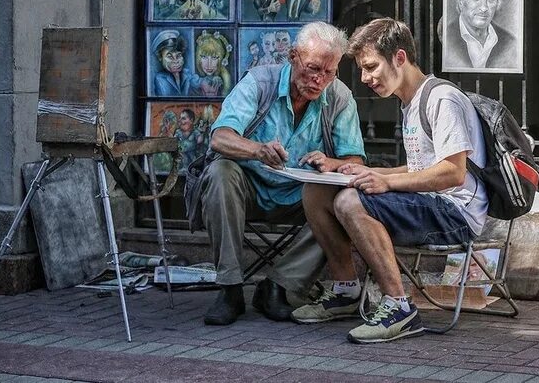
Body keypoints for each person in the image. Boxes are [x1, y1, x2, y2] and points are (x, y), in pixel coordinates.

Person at [291, 18, 488, 344]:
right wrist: (348, 169)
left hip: (456, 214)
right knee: (318, 190)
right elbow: (419, 168)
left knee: (350, 201)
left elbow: (453, 173)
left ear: (399, 57)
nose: (366, 78)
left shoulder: (441, 99)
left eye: (371, 67)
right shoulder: (411, 101)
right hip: (431, 202)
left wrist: (386, 184)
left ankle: (399, 308)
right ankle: (346, 291)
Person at [192, 21, 366, 326]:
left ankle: (278, 285)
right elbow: (220, 137)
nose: (318, 79)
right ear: (292, 55)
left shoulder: (339, 97)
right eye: (312, 68)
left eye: (328, 72)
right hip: (249, 191)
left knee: (347, 201)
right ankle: (230, 288)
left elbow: (354, 159)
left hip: (303, 199)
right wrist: (257, 150)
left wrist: (331, 162)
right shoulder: (260, 82)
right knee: (220, 172)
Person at [444, 0, 518, 70]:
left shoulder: (510, 43)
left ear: (497, 2)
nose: (484, 8)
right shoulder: (445, 37)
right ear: (461, 1)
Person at [190, 30, 232, 97]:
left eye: (214, 58)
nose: (209, 64)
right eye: (204, 57)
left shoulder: (224, 82)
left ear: (220, 59)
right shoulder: (194, 83)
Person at [152, 29, 193, 96]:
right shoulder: (160, 79)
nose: (176, 61)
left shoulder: (188, 75)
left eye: (179, 55)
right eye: (170, 57)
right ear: (160, 58)